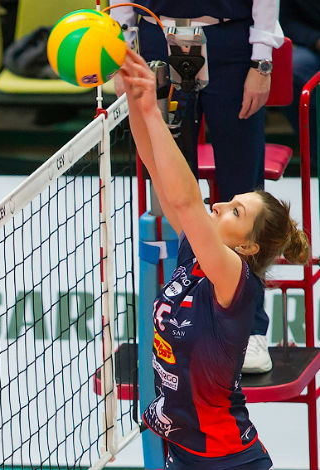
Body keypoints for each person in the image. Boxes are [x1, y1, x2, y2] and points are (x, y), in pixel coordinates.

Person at [120, 48, 309, 469]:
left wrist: (152, 110)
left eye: (236, 212)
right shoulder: (195, 252)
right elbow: (153, 164)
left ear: (248, 247)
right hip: (185, 455)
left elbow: (188, 203)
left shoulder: (235, 280)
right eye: (230, 201)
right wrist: (135, 97)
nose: (220, 205)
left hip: (228, 461)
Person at [110, 0, 284, 373]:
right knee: (168, 195)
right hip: (155, 35)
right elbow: (171, 188)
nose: (215, 208)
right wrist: (119, 45)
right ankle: (180, 324)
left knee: (242, 195)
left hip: (230, 40)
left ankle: (250, 330)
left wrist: (262, 61)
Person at [280, 0, 319, 172]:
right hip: (312, 46)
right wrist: (315, 40)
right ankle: (317, 153)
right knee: (290, 71)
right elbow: (287, 22)